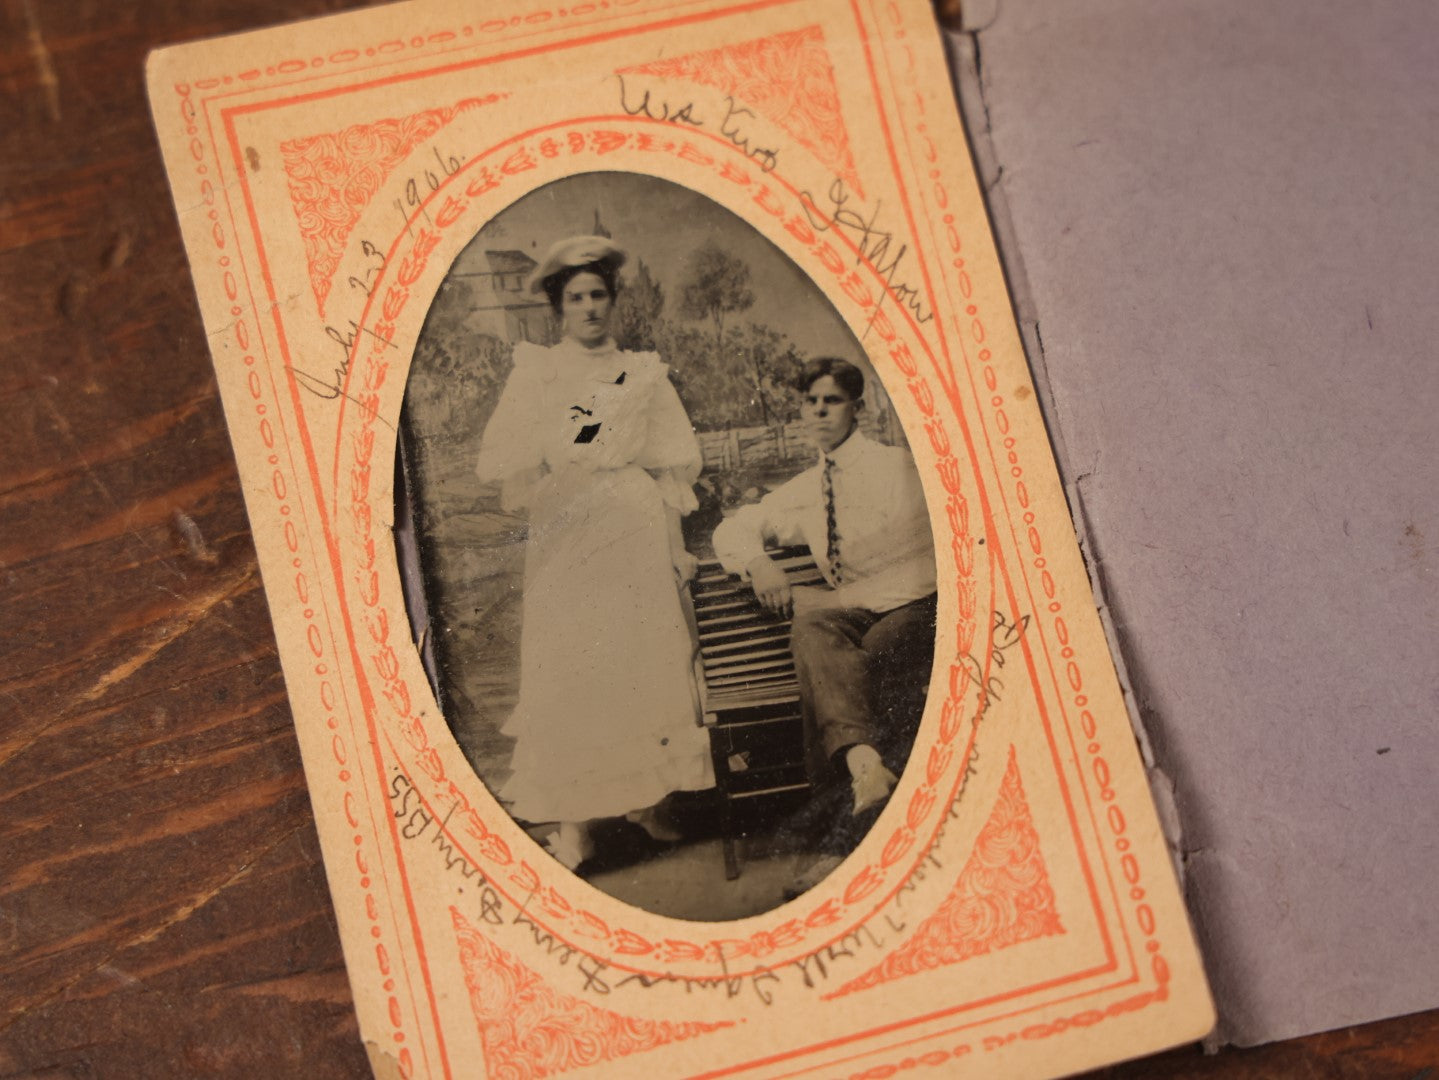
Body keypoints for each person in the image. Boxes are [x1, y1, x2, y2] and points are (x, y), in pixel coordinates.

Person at [474, 236, 713, 871]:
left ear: (614, 300)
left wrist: (673, 547)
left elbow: (674, 463)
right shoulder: (539, 372)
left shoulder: (641, 372)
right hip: (568, 528)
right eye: (575, 297)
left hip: (631, 525)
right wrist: (555, 454)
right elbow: (503, 456)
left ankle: (651, 800)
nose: (588, 308)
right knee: (570, 663)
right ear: (558, 305)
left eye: (598, 295)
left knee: (643, 656)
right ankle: (575, 825)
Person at [712, 357, 937, 820]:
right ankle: (865, 768)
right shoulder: (808, 488)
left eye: (831, 401)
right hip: (858, 611)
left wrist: (839, 599)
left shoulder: (896, 469)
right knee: (812, 629)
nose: (818, 411)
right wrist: (759, 563)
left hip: (919, 607)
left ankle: (844, 819)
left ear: (856, 409)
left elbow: (925, 563)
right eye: (809, 402)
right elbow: (733, 529)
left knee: (870, 649)